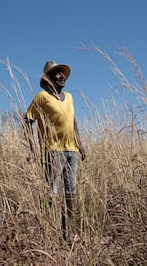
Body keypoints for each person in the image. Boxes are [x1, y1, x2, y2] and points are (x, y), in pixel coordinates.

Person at [24, 60, 85, 240]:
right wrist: (32, 149)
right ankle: (48, 233)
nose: (61, 76)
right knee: (51, 193)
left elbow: (73, 122)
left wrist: (80, 144)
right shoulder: (42, 97)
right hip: (53, 151)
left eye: (62, 73)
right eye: (56, 73)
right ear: (48, 78)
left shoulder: (70, 97)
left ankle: (68, 233)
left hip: (72, 151)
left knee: (71, 192)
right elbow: (27, 121)